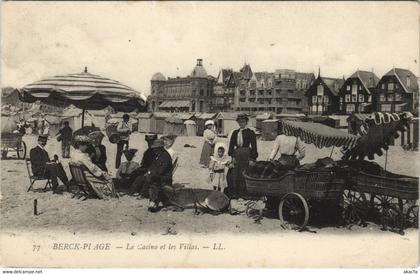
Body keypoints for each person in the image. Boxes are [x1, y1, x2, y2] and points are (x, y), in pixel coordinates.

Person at [265, 124, 306, 214]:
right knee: (294, 181)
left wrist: (270, 160)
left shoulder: (279, 137)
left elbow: (274, 150)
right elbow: (302, 153)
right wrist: (296, 159)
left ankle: (273, 203)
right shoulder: (296, 138)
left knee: (274, 180)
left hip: (282, 162)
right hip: (293, 162)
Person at [130, 139, 172, 212]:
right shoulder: (160, 155)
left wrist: (150, 173)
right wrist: (149, 171)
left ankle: (153, 201)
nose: (154, 150)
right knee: (142, 177)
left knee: (151, 180)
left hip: (164, 178)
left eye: (156, 148)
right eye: (154, 148)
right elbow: (153, 166)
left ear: (160, 148)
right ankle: (141, 193)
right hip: (160, 175)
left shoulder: (165, 157)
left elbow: (161, 171)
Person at [71, 135, 117, 199]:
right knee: (107, 178)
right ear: (80, 146)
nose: (86, 147)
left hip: (79, 177)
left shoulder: (74, 154)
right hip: (86, 177)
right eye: (85, 145)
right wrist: (101, 173)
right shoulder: (83, 156)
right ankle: (110, 194)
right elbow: (92, 168)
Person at [227, 113, 258, 198]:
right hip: (237, 154)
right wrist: (232, 156)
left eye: (243, 122)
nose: (241, 123)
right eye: (240, 122)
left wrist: (252, 158)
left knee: (244, 173)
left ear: (246, 122)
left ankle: (244, 193)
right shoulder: (235, 132)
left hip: (246, 154)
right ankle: (235, 193)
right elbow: (231, 145)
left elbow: (254, 146)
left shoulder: (250, 132)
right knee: (234, 173)